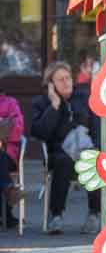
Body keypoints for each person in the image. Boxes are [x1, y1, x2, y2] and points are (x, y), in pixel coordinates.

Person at [29, 61, 99, 234]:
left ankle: (94, 214)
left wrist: (98, 148)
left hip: (86, 148)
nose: (66, 82)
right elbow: (40, 132)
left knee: (94, 159)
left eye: (68, 78)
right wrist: (54, 106)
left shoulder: (84, 97)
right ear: (50, 84)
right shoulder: (41, 103)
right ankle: (56, 215)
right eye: (60, 79)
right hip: (59, 152)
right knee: (64, 161)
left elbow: (97, 126)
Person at [1, 88, 23, 229]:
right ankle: (9, 189)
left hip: (7, 154)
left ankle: (5, 214)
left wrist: (5, 131)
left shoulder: (10, 103)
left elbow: (18, 130)